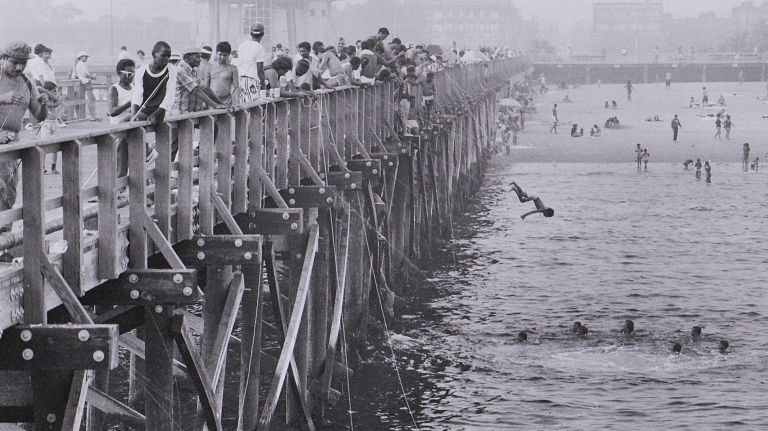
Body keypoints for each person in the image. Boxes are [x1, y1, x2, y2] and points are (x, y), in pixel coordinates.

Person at [0, 42, 50, 260]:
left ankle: (2, 247)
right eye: (14, 63)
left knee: (8, 196)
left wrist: (45, 104)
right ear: (3, 58)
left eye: (22, 63)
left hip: (13, 146)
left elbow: (39, 116)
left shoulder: (27, 82)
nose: (19, 68)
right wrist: (3, 98)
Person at [131, 41, 177, 125]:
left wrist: (155, 114)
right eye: (163, 55)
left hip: (161, 110)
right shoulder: (141, 71)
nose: (167, 59)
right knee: (123, 122)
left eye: (169, 56)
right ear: (154, 54)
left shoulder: (171, 70)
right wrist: (133, 115)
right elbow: (137, 95)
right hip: (145, 109)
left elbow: (169, 97)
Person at [173, 46, 227, 115]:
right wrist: (215, 105)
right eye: (197, 57)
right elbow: (196, 90)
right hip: (180, 113)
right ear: (188, 56)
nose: (200, 60)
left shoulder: (193, 72)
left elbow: (205, 88)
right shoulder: (180, 71)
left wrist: (221, 103)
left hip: (190, 113)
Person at [108, 58, 135, 177]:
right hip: (119, 129)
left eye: (133, 74)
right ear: (119, 73)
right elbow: (112, 111)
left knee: (135, 160)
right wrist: (129, 104)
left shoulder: (134, 87)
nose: (131, 77)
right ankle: (119, 189)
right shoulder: (114, 89)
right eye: (129, 74)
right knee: (121, 162)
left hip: (132, 127)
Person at [237, 22, 268, 103]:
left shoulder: (242, 45)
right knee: (254, 108)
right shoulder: (260, 48)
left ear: (250, 33)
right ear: (263, 34)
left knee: (243, 108)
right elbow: (260, 71)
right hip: (250, 81)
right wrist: (263, 87)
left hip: (239, 80)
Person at [39, 81, 62, 174]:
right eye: (54, 91)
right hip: (46, 123)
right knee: (44, 146)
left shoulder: (53, 97)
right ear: (48, 90)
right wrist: (45, 92)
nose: (55, 92)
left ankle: (53, 167)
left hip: (55, 122)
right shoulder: (43, 97)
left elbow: (56, 101)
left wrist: (51, 93)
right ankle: (42, 167)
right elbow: (48, 104)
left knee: (56, 146)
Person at [74, 51, 98, 121]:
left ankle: (85, 116)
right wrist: (93, 77)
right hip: (86, 82)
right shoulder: (81, 64)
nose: (87, 58)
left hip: (83, 83)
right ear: (81, 57)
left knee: (89, 99)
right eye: (85, 56)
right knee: (92, 99)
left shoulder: (79, 64)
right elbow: (85, 74)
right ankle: (93, 117)